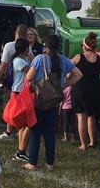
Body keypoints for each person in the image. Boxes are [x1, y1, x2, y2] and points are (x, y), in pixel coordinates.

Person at [24, 34, 83, 171]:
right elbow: (79, 74)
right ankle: (50, 164)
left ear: (46, 46)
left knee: (35, 132)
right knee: (50, 133)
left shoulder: (39, 59)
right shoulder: (64, 60)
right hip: (55, 101)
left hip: (39, 100)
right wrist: (64, 85)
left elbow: (29, 77)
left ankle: (32, 162)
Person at [71, 32, 100, 151]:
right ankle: (93, 140)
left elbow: (69, 71)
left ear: (84, 46)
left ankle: (84, 144)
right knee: (91, 116)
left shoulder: (78, 57)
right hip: (95, 89)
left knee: (81, 117)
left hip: (80, 89)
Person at [0, 24, 28, 140]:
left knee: (9, 106)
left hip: (13, 83)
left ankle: (10, 130)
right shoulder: (27, 49)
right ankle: (20, 129)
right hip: (24, 85)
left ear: (16, 34)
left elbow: (3, 64)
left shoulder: (9, 46)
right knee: (22, 108)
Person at [9, 38, 32, 163]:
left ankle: (21, 151)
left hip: (20, 92)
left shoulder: (22, 60)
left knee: (23, 124)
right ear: (24, 49)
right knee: (28, 123)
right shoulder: (19, 61)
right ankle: (21, 151)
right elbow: (31, 72)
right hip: (20, 93)